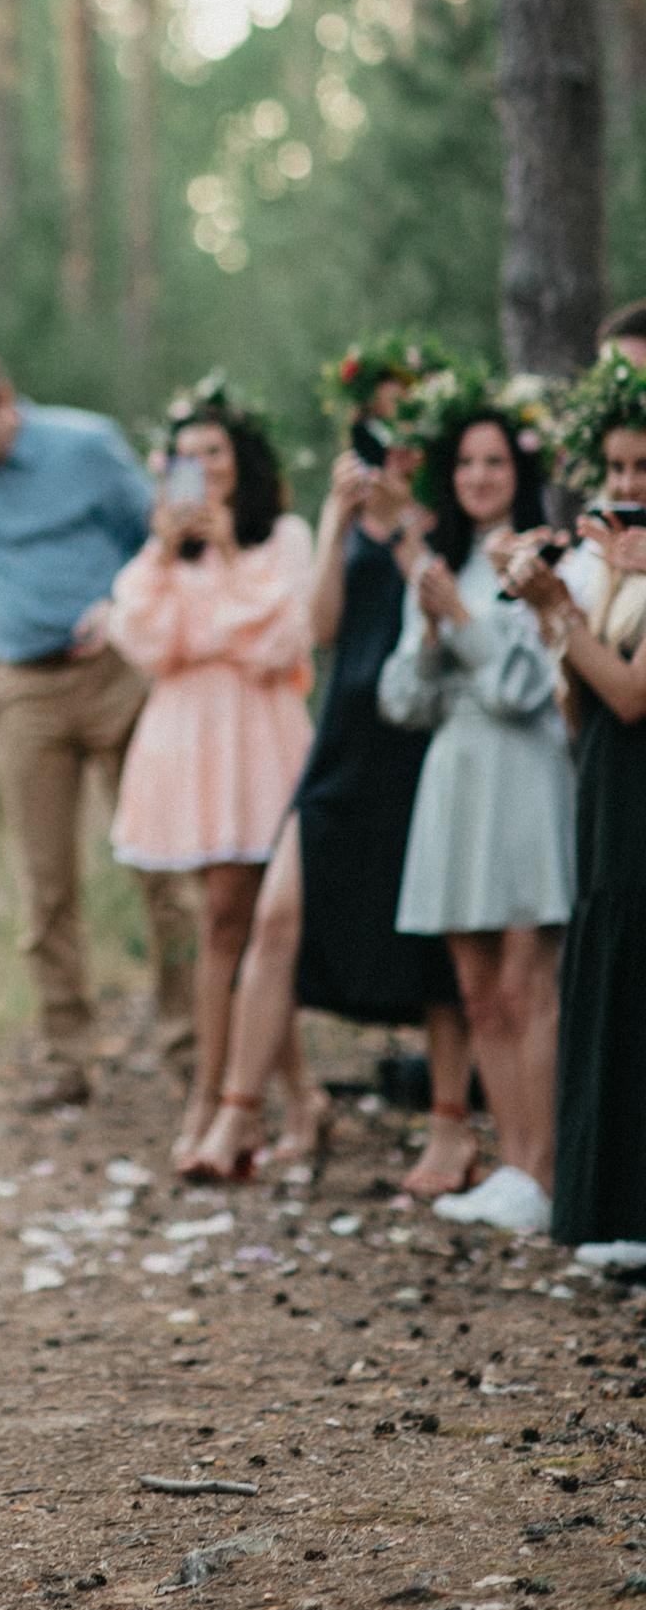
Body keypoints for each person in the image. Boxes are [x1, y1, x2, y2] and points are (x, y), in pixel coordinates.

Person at [187, 347, 473, 1194]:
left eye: (407, 425)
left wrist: (405, 522)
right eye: (379, 425)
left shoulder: (449, 511)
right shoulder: (352, 514)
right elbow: (319, 628)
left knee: (438, 943)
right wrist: (345, 521)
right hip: (345, 736)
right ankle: (241, 1110)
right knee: (276, 919)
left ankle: (453, 1129)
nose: (394, 446)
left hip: (422, 735)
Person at [0, 340, 194, 1110]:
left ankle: (191, 1048)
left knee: (164, 869)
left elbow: (164, 537)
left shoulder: (88, 445)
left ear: (3, 397)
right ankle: (69, 1056)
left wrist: (124, 605)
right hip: (23, 691)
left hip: (120, 678)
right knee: (46, 886)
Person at [106, 378, 314, 1173]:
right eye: (186, 454)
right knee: (237, 924)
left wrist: (227, 551)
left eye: (214, 450)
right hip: (187, 745)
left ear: (240, 459)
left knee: (244, 921)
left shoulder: (280, 537)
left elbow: (276, 642)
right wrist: (167, 547)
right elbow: (147, 638)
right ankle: (287, 1098)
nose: (202, 465)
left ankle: (222, 1100)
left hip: (259, 740)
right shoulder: (165, 551)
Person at [378, 394, 573, 1240]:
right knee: (476, 988)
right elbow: (399, 701)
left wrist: (461, 624)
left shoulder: (542, 561)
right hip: (453, 779)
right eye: (465, 463)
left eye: (495, 461)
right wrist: (429, 631)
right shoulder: (440, 565)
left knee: (530, 983)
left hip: (525, 778)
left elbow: (526, 691)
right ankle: (512, 1158)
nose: (479, 477)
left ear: (519, 472)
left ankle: (549, 1167)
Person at [503, 350, 646, 1269]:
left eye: (645, 469)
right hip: (606, 787)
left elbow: (635, 697)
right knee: (606, 969)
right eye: (619, 471)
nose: (629, 487)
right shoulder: (615, 572)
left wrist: (566, 606)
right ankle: (609, 1203)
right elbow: (580, 705)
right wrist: (560, 611)